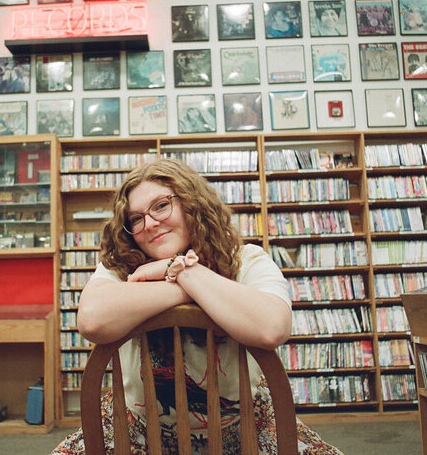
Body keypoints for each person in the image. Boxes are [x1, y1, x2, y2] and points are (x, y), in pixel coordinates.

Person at [52, 159, 343, 454]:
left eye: (161, 205)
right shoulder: (119, 267)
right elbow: (92, 321)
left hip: (241, 429)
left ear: (192, 203)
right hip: (137, 430)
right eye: (136, 218)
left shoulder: (247, 260)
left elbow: (272, 328)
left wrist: (186, 272)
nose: (149, 223)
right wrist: (181, 284)